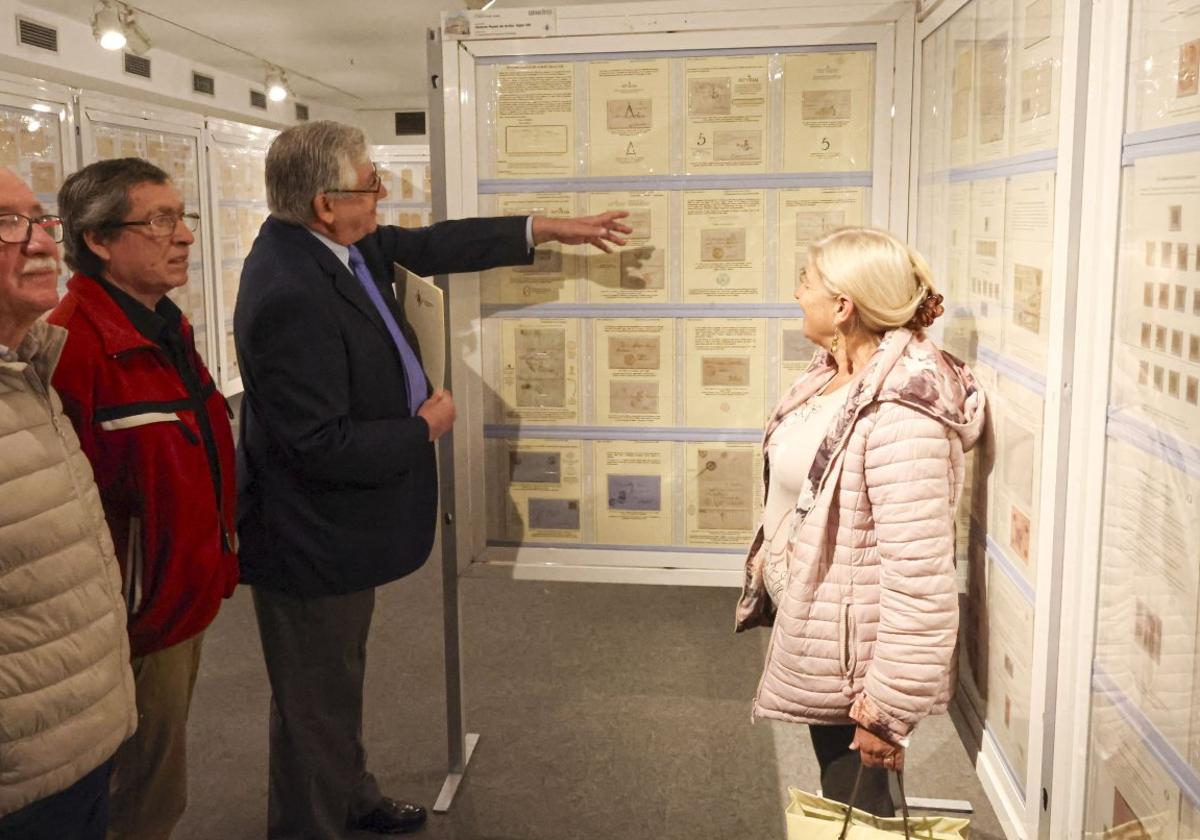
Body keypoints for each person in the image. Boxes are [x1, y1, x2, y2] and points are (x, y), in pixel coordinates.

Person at [235, 119, 629, 838]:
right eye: (371, 184)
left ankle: (350, 796)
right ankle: (309, 826)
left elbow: (438, 243)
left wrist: (549, 229)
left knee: (333, 686)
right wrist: (423, 428)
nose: (382, 196)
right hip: (309, 540)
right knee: (311, 703)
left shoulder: (340, 247)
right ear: (326, 203)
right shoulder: (290, 287)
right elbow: (318, 445)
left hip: (339, 533)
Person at [735, 227, 985, 816]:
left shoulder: (903, 413)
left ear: (843, 306)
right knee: (845, 794)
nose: (798, 293)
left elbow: (919, 578)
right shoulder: (836, 373)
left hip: (857, 660)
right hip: (825, 626)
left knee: (862, 808)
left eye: (807, 281)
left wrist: (886, 714)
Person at [48, 158, 239, 840]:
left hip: (175, 598)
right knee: (134, 797)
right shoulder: (76, 346)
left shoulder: (160, 327)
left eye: (181, 217)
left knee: (158, 783)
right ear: (99, 240)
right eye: (160, 220)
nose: (182, 235)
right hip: (133, 618)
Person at [0, 167, 137, 839]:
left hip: (72, 741)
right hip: (22, 773)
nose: (39, 244)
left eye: (40, 221)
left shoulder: (27, 372)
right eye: (5, 224)